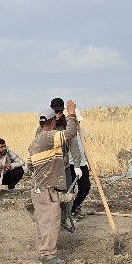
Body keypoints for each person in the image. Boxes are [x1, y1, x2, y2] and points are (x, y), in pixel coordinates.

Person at [28, 99, 79, 264]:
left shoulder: (35, 142)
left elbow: (29, 165)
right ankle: (47, 255)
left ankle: (43, 250)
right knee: (50, 222)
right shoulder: (49, 137)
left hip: (40, 189)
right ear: (53, 121)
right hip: (46, 190)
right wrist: (71, 112)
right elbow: (70, 132)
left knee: (44, 222)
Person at [50, 96, 86, 228]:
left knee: (67, 197)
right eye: (55, 112)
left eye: (60, 112)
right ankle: (52, 222)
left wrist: (77, 166)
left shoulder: (66, 126)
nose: (58, 115)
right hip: (49, 169)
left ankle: (64, 219)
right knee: (52, 198)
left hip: (64, 167)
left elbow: (74, 147)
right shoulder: (45, 126)